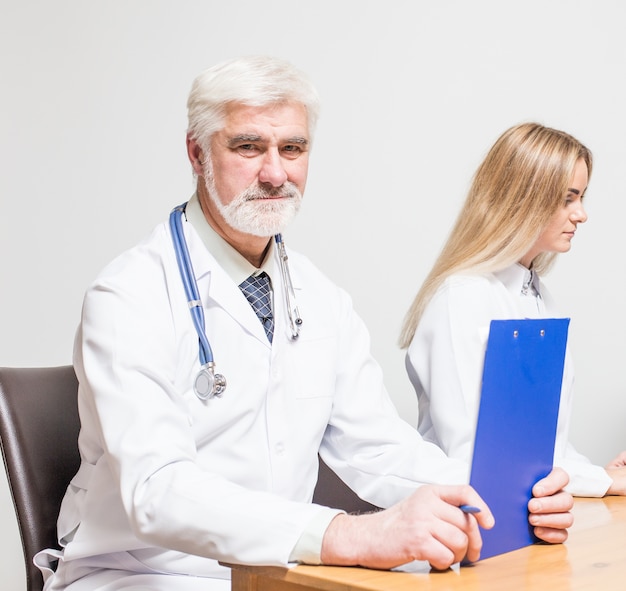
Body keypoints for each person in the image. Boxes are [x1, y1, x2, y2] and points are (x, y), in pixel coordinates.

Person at [38, 59, 573, 591]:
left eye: (292, 149)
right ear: (197, 153)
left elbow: (378, 446)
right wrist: (349, 536)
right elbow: (157, 489)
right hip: (144, 572)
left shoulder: (319, 297)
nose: (275, 173)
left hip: (277, 571)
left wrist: (501, 497)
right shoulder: (129, 294)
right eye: (248, 147)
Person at [400, 122, 626, 499]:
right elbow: (477, 457)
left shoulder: (537, 296)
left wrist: (597, 474)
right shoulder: (463, 298)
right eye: (568, 198)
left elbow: (545, 445)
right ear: (523, 198)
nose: (581, 214)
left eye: (581, 196)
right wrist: (602, 483)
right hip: (470, 521)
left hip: (526, 513)